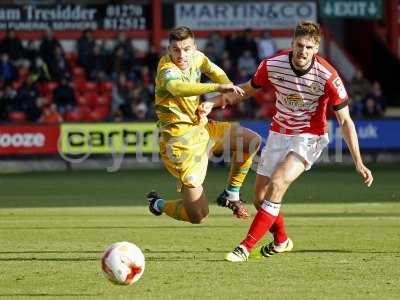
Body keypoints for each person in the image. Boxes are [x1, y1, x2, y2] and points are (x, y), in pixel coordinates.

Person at [199, 21, 373, 261]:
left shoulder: (328, 76)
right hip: (279, 133)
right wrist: (213, 103)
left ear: (317, 49)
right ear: (292, 43)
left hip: (310, 137)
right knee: (260, 200)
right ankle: (281, 240)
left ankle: (245, 247)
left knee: (278, 183)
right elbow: (246, 91)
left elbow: (345, 121)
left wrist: (359, 162)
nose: (303, 51)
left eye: (309, 47)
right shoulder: (272, 65)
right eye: (300, 45)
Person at [147, 26, 261, 223]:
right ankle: (158, 204)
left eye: (186, 49)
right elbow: (177, 88)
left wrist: (225, 87)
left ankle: (231, 194)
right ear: (169, 50)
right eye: (175, 50)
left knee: (251, 141)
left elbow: (216, 71)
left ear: (194, 47)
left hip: (202, 127)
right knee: (198, 216)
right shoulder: (167, 70)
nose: (181, 55)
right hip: (181, 142)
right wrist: (217, 87)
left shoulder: (198, 57)